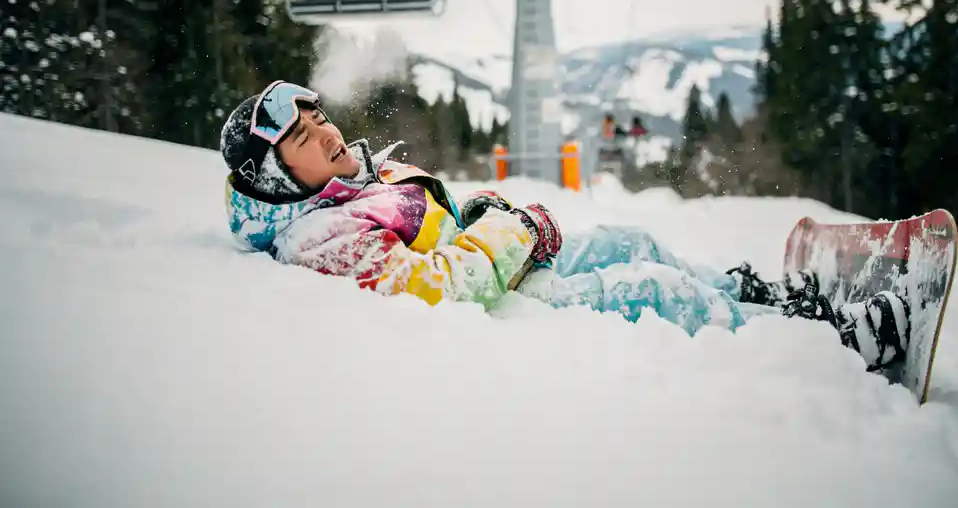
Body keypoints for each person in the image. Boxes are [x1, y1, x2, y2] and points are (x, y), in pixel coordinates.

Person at [220, 80, 911, 373]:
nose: (327, 133)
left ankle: (764, 299)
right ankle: (828, 350)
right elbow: (440, 290)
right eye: (304, 138)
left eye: (320, 118)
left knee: (630, 241)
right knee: (648, 290)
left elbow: (440, 221)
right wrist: (517, 229)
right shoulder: (322, 239)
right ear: (277, 178)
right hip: (495, 312)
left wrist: (489, 214)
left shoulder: (348, 184)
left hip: (506, 267)